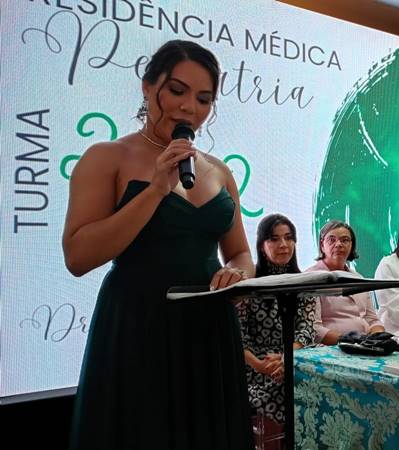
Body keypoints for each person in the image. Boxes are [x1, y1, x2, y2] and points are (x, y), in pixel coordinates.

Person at [63, 40, 254, 448]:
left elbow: (239, 252)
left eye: (204, 99)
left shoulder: (219, 171)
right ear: (148, 87)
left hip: (210, 329)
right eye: (177, 90)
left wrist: (238, 274)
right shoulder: (106, 157)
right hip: (139, 325)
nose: (189, 107)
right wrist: (154, 191)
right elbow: (78, 256)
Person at [237, 214, 315, 447]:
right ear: (262, 245)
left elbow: (306, 331)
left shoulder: (306, 283)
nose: (283, 245)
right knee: (284, 386)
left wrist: (285, 358)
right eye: (274, 239)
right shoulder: (247, 283)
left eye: (289, 238)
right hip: (254, 365)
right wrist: (260, 364)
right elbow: (238, 336)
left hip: (293, 358)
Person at [307, 220, 384, 344]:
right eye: (332, 240)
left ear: (352, 245)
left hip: (364, 345)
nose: (338, 244)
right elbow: (313, 328)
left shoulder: (359, 278)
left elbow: (373, 320)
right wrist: (349, 340)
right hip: (330, 347)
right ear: (322, 245)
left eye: (345, 240)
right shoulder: (310, 278)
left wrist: (378, 336)